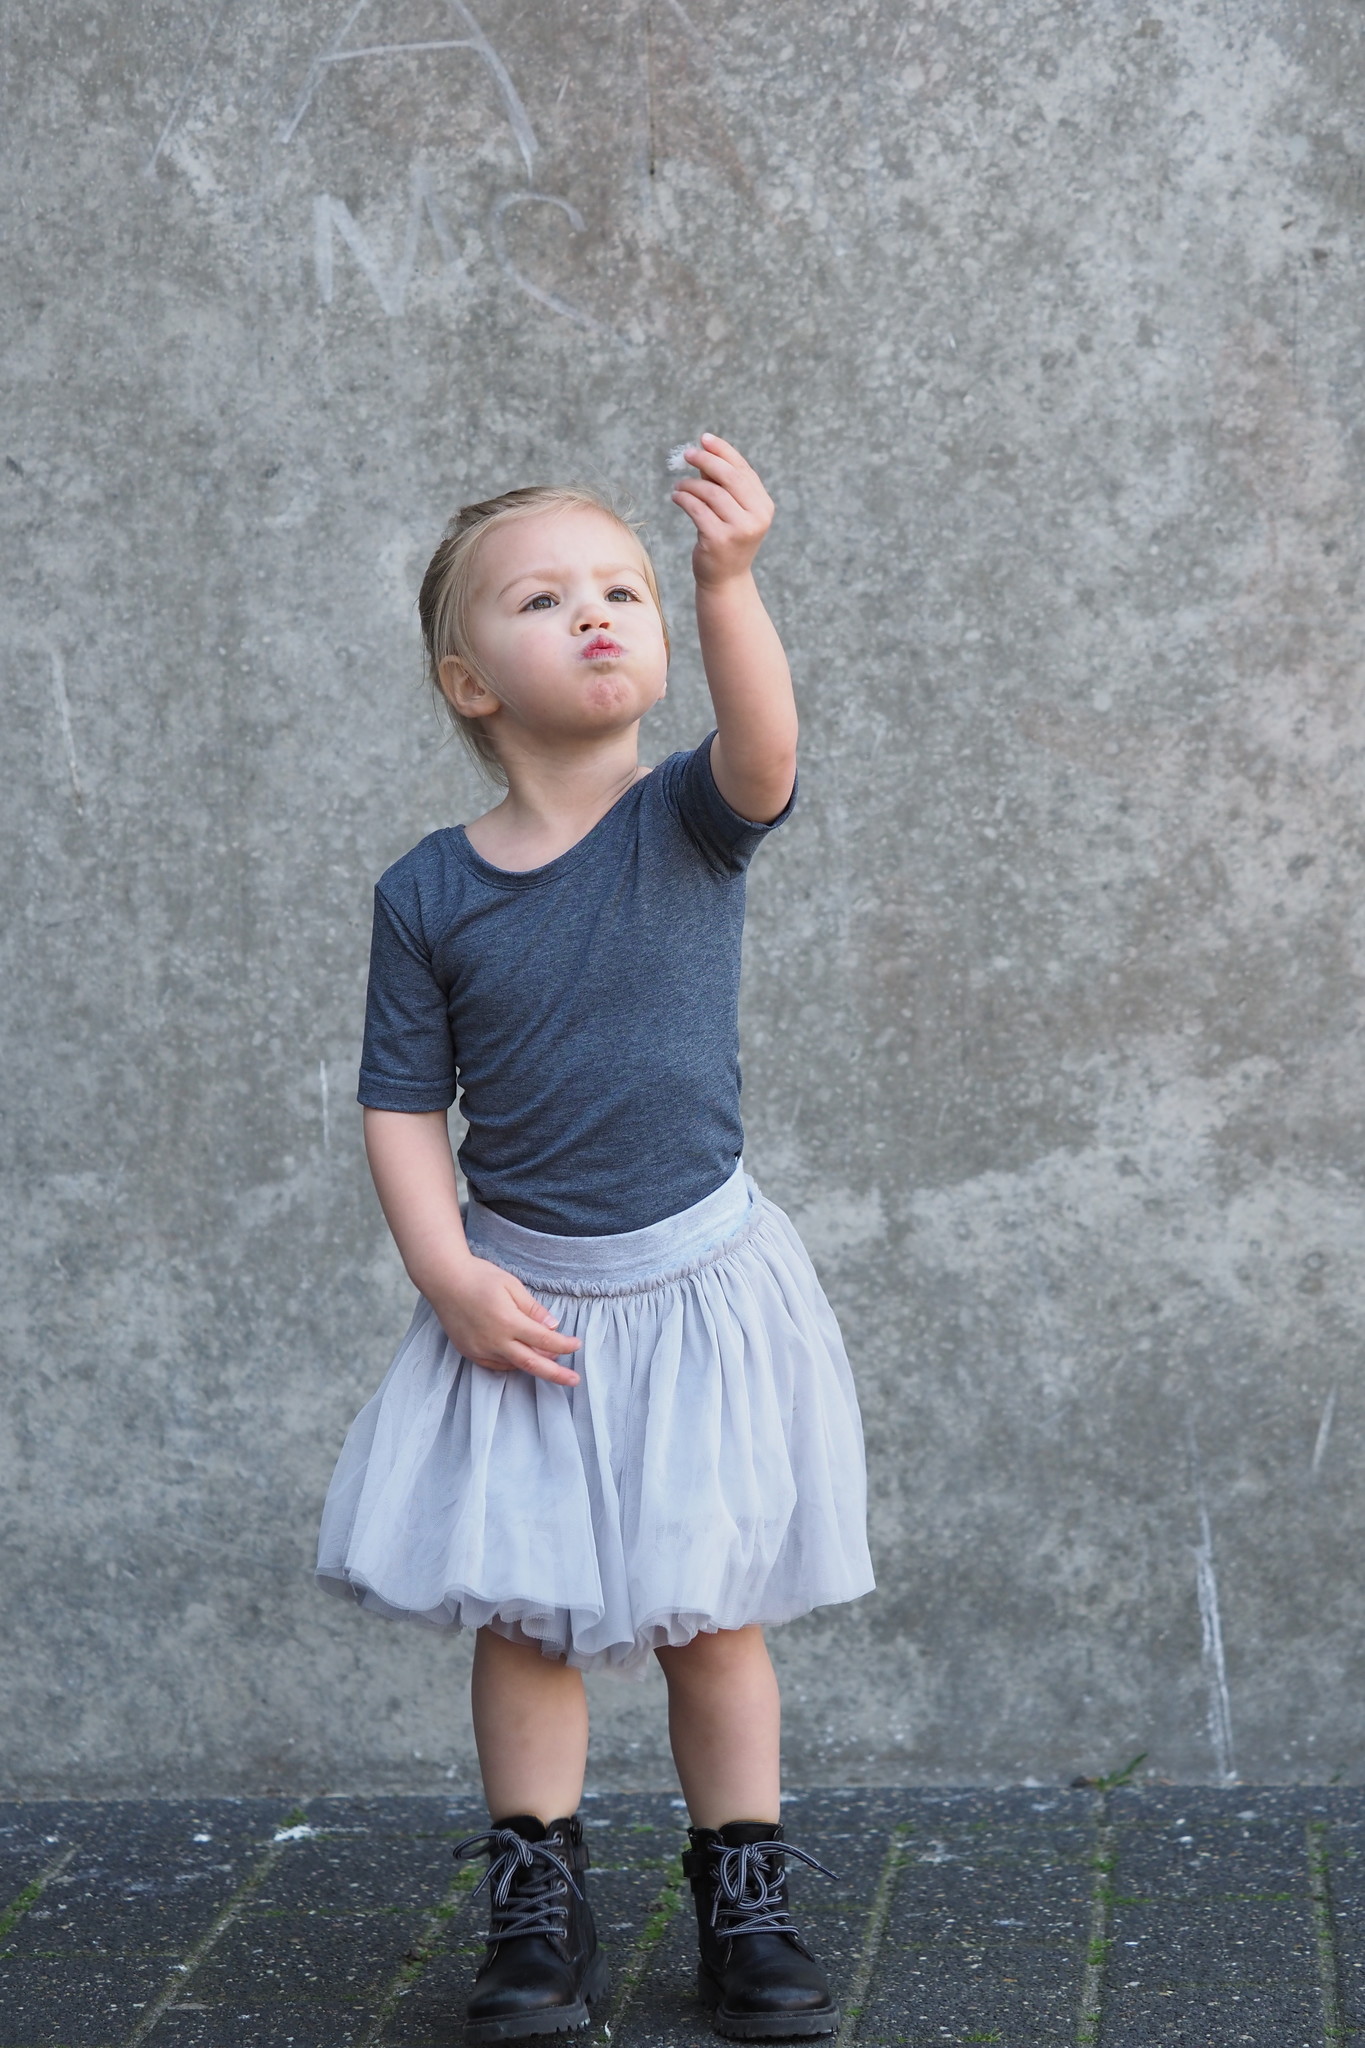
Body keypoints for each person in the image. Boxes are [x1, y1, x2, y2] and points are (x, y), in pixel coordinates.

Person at [317, 435, 874, 2041]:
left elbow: (765, 750)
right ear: (466, 679)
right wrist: (447, 1273)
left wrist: (725, 580)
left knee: (710, 1617)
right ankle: (535, 1906)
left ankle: (743, 1895)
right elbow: (402, 1104)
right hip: (527, 1302)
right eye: (544, 599)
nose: (595, 616)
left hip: (695, 1289)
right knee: (526, 1616)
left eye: (618, 589)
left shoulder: (687, 824)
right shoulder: (428, 893)